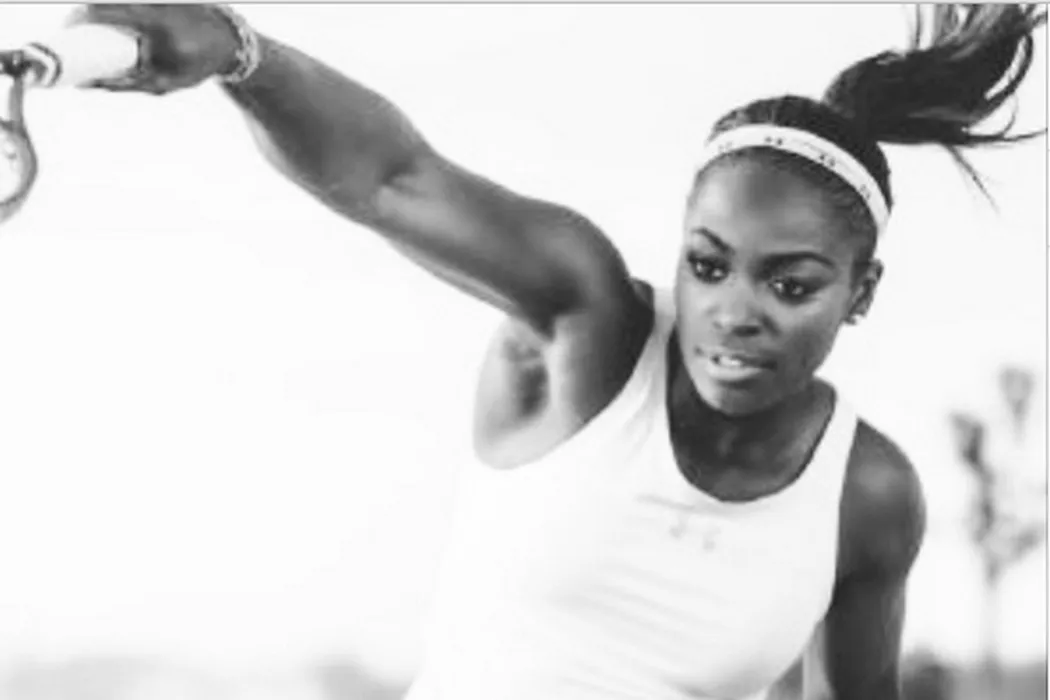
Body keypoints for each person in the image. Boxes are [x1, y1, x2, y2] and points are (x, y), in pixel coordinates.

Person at [27, 4, 1047, 699]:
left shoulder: (868, 494)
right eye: (708, 265)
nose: (734, 313)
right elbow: (389, 178)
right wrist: (241, 53)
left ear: (861, 293)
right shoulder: (587, 329)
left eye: (790, 285)